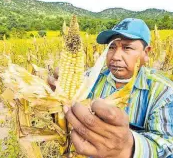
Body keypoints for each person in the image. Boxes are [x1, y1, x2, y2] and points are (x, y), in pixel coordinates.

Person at [49, 18, 173, 158]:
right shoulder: (90, 79)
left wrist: (128, 147)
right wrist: (55, 93)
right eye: (112, 47)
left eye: (127, 47)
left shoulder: (164, 93)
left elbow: (169, 147)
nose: (115, 56)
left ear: (146, 52)